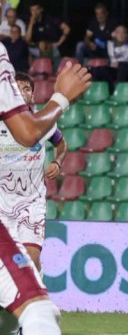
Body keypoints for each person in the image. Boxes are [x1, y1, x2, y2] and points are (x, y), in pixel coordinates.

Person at [0, 0, 128, 335]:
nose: (3, 0)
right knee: (35, 306)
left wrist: (55, 156)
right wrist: (63, 96)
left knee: (12, 316)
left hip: (25, 209)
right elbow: (28, 129)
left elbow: (48, 139)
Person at [0, 73, 66, 272]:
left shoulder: (43, 122)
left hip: (31, 202)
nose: (21, 92)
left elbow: (61, 144)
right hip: (2, 202)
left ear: (32, 96)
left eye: (27, 88)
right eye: (16, 88)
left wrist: (58, 161)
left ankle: (36, 277)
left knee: (28, 258)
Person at [90, 25, 128, 91]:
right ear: (114, 34)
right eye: (118, 32)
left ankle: (117, 91)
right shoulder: (109, 44)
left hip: (127, 69)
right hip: (113, 69)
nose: (121, 34)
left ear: (126, 34)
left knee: (123, 66)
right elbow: (97, 40)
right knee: (99, 69)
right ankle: (97, 91)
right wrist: (109, 36)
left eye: (123, 32)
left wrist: (119, 63)